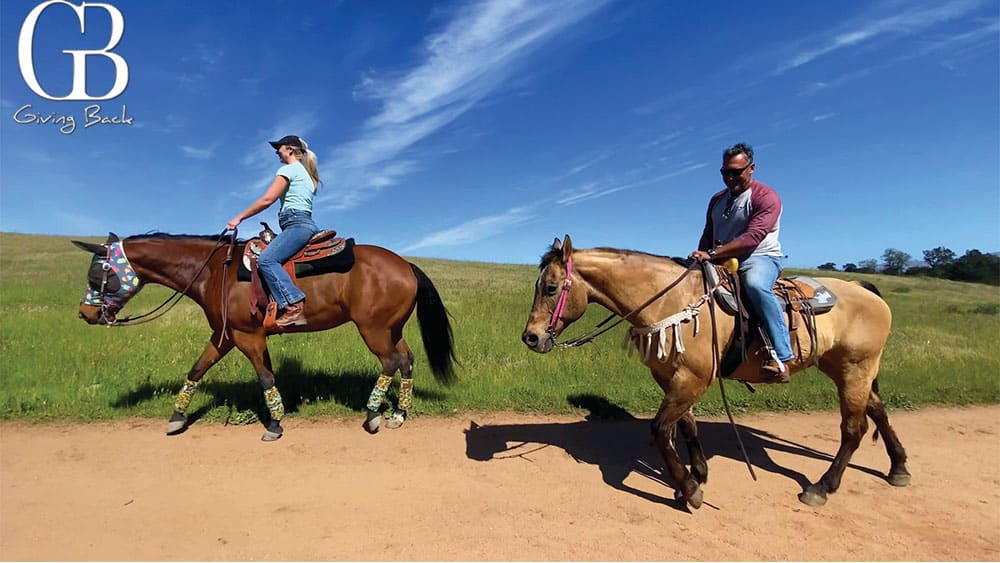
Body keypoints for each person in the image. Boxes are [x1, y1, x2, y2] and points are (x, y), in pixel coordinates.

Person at [688, 142, 793, 381]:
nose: (730, 177)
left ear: (752, 168)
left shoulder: (766, 197)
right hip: (721, 258)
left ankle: (781, 356)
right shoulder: (717, 199)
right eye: (725, 172)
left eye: (737, 171)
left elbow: (753, 236)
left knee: (755, 285)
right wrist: (700, 253)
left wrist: (713, 255)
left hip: (759, 257)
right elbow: (709, 231)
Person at [227, 135, 320, 326]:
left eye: (280, 148)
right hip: (301, 222)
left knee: (267, 259)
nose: (277, 151)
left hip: (296, 224)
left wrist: (239, 217)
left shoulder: (288, 170)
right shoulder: (307, 175)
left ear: (290, 150)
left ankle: (293, 305)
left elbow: (267, 200)